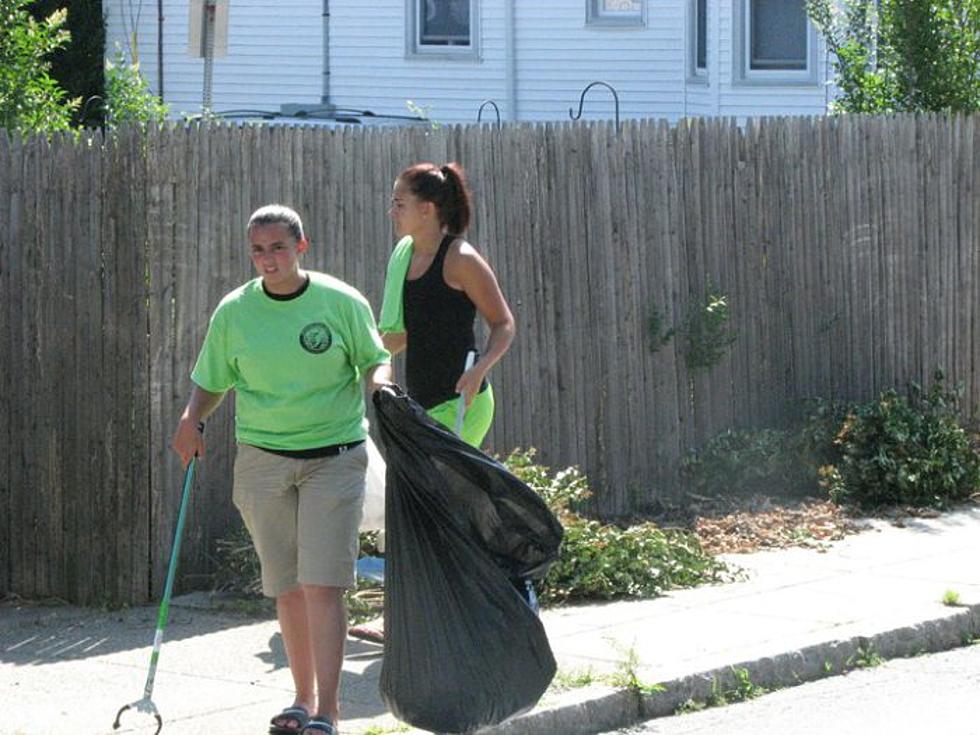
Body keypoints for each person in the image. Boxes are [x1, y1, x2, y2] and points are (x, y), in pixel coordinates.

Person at [170, 204, 391, 735]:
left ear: (301, 247)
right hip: (263, 460)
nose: (268, 259)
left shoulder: (340, 301)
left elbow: (373, 356)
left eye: (278, 247)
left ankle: (328, 712)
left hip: (334, 457)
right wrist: (190, 419)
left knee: (323, 584)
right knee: (286, 585)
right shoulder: (236, 311)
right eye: (258, 249)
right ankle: (300, 699)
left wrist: (381, 385)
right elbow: (212, 378)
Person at [347, 161, 516, 644]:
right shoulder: (404, 254)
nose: (391, 211)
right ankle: (420, 615)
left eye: (399, 203)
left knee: (426, 511)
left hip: (462, 402)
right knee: (412, 510)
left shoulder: (460, 259)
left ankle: (442, 614)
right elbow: (397, 336)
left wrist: (481, 368)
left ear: (428, 209)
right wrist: (363, 365)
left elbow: (503, 323)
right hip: (420, 404)